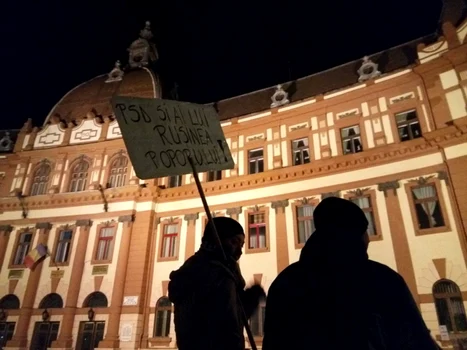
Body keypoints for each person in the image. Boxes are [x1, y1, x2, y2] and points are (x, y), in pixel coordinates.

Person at [262, 197, 440, 350]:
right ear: (359, 234)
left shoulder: (286, 281)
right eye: (366, 231)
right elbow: (415, 339)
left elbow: (273, 342)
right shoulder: (382, 279)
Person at [168, 216, 265, 350]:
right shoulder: (210, 272)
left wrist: (250, 298)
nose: (239, 251)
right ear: (217, 239)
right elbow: (221, 327)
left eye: (241, 245)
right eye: (234, 242)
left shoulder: (222, 271)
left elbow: (233, 317)